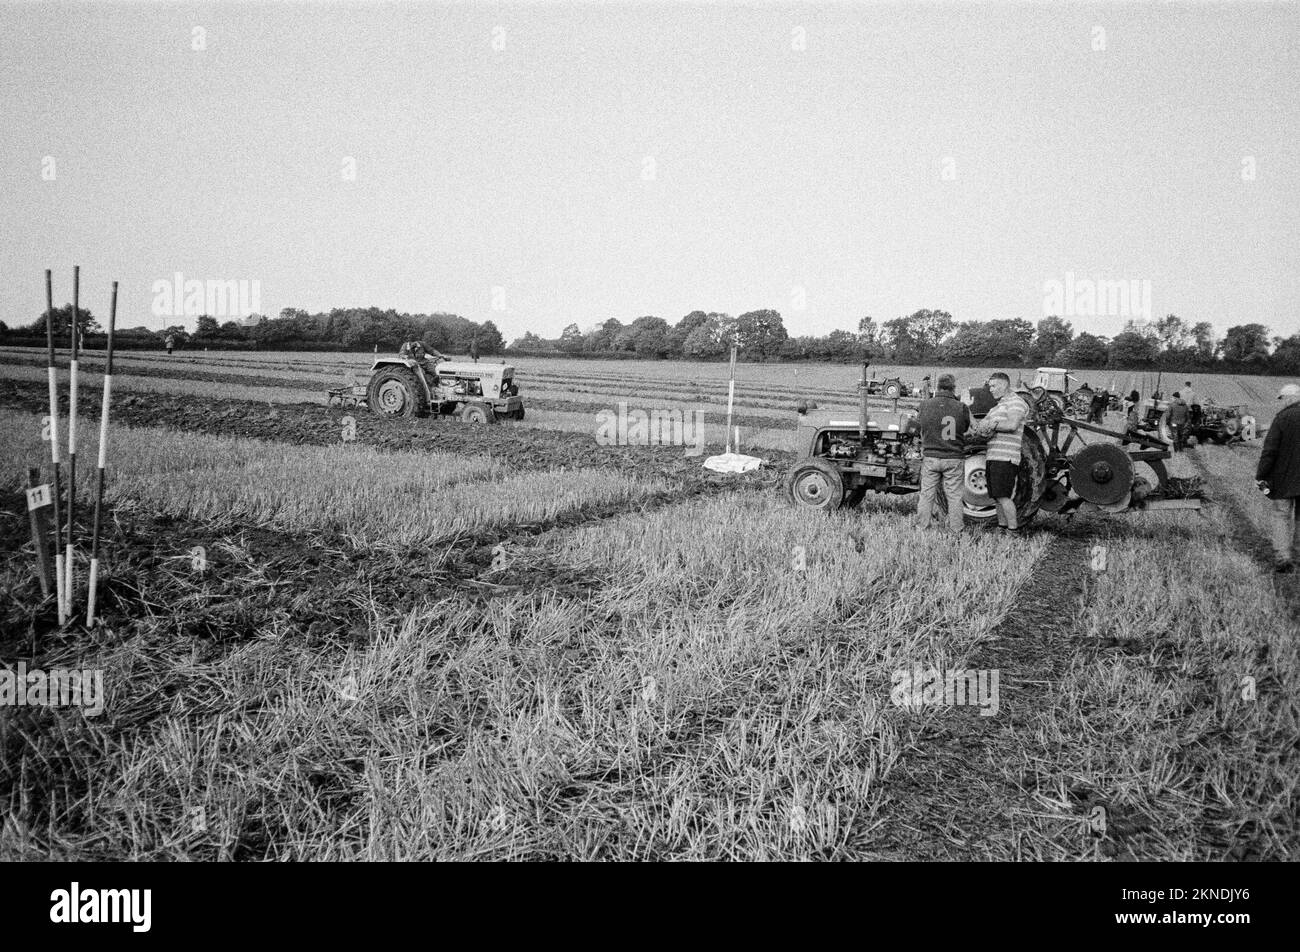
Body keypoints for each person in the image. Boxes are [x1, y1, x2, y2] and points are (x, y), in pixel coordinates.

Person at [969, 372, 1030, 533]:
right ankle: (1002, 526)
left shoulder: (1016, 402)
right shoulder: (997, 406)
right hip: (993, 455)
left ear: (1004, 385)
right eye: (990, 386)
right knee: (996, 496)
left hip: (1006, 456)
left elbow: (1012, 425)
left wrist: (992, 425)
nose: (991, 390)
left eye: (993, 386)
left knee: (1003, 496)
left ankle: (1013, 530)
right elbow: (982, 427)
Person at [915, 373, 971, 533]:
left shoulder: (925, 405)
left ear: (938, 387)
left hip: (931, 457)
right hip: (953, 458)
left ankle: (922, 528)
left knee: (926, 495)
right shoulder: (961, 407)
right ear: (953, 388)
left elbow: (920, 426)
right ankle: (956, 530)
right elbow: (965, 428)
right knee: (954, 497)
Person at [1256, 384, 1300, 573]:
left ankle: (1283, 558)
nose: (1280, 403)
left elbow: (1270, 451)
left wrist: (1261, 475)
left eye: (1281, 399)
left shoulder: (1282, 419)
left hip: (1283, 480)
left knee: (1281, 516)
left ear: (1290, 398)